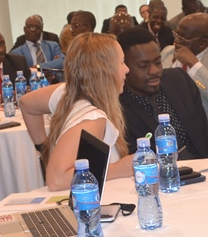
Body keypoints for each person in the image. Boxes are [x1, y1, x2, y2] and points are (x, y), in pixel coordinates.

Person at [19, 33, 134, 190]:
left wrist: (45, 149)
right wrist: (118, 169)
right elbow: (56, 180)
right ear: (104, 70)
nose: (127, 69)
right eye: (121, 62)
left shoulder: (68, 93)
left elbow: (27, 104)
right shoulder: (93, 119)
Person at [119, 27, 208, 159]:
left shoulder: (179, 81)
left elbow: (207, 138)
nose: (154, 71)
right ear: (124, 67)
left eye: (158, 62)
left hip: (202, 166)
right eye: (143, 66)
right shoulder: (117, 109)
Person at [161, 14, 208, 134]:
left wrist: (194, 65)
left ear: (202, 43)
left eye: (183, 38)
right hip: (163, 125)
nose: (176, 41)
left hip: (197, 130)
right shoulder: (167, 52)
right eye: (176, 34)